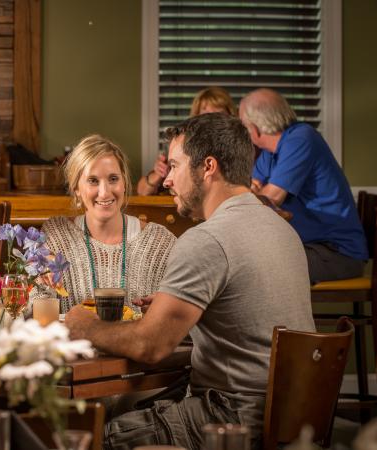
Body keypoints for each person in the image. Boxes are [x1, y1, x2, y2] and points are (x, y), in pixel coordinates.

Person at [65, 113, 315, 449]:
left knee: (89, 436)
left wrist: (84, 325)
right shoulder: (283, 230)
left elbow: (149, 346)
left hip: (232, 420)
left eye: (176, 166)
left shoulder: (206, 240)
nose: (166, 180)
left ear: (207, 167)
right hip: (294, 418)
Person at [32, 134, 176, 313]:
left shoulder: (160, 243)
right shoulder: (55, 236)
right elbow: (32, 312)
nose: (105, 192)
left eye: (113, 179)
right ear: (76, 188)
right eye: (93, 181)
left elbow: (184, 315)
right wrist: (39, 280)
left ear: (124, 182)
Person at [240, 88, 368, 283]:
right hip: (312, 247)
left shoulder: (301, 138)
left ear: (255, 127)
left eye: (243, 125)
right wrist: (256, 191)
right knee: (246, 262)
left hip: (337, 253)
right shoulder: (269, 153)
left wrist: (259, 192)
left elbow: (269, 199)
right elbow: (250, 190)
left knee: (256, 268)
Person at [137, 87, 237, 195]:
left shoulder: (240, 146)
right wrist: (158, 173)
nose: (211, 120)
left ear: (230, 116)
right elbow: (142, 191)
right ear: (196, 118)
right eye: (206, 114)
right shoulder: (181, 146)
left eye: (218, 114)